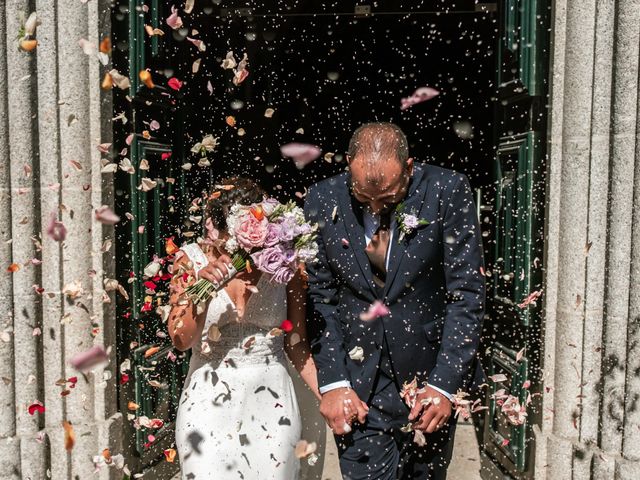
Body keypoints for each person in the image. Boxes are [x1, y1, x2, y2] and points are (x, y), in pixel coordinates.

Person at [304, 122, 486, 479]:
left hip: (428, 380)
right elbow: (320, 299)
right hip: (357, 387)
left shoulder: (448, 190)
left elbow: (466, 293)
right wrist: (334, 382)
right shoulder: (322, 199)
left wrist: (444, 385)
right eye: (362, 197)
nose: (374, 207)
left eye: (387, 198)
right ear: (348, 168)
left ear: (409, 168)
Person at [168, 177, 322, 480]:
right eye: (230, 241)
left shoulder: (284, 263)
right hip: (206, 399)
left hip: (271, 397)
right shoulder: (190, 260)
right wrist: (203, 291)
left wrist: (327, 395)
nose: (239, 249)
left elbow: (296, 342)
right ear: (212, 230)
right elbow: (181, 340)